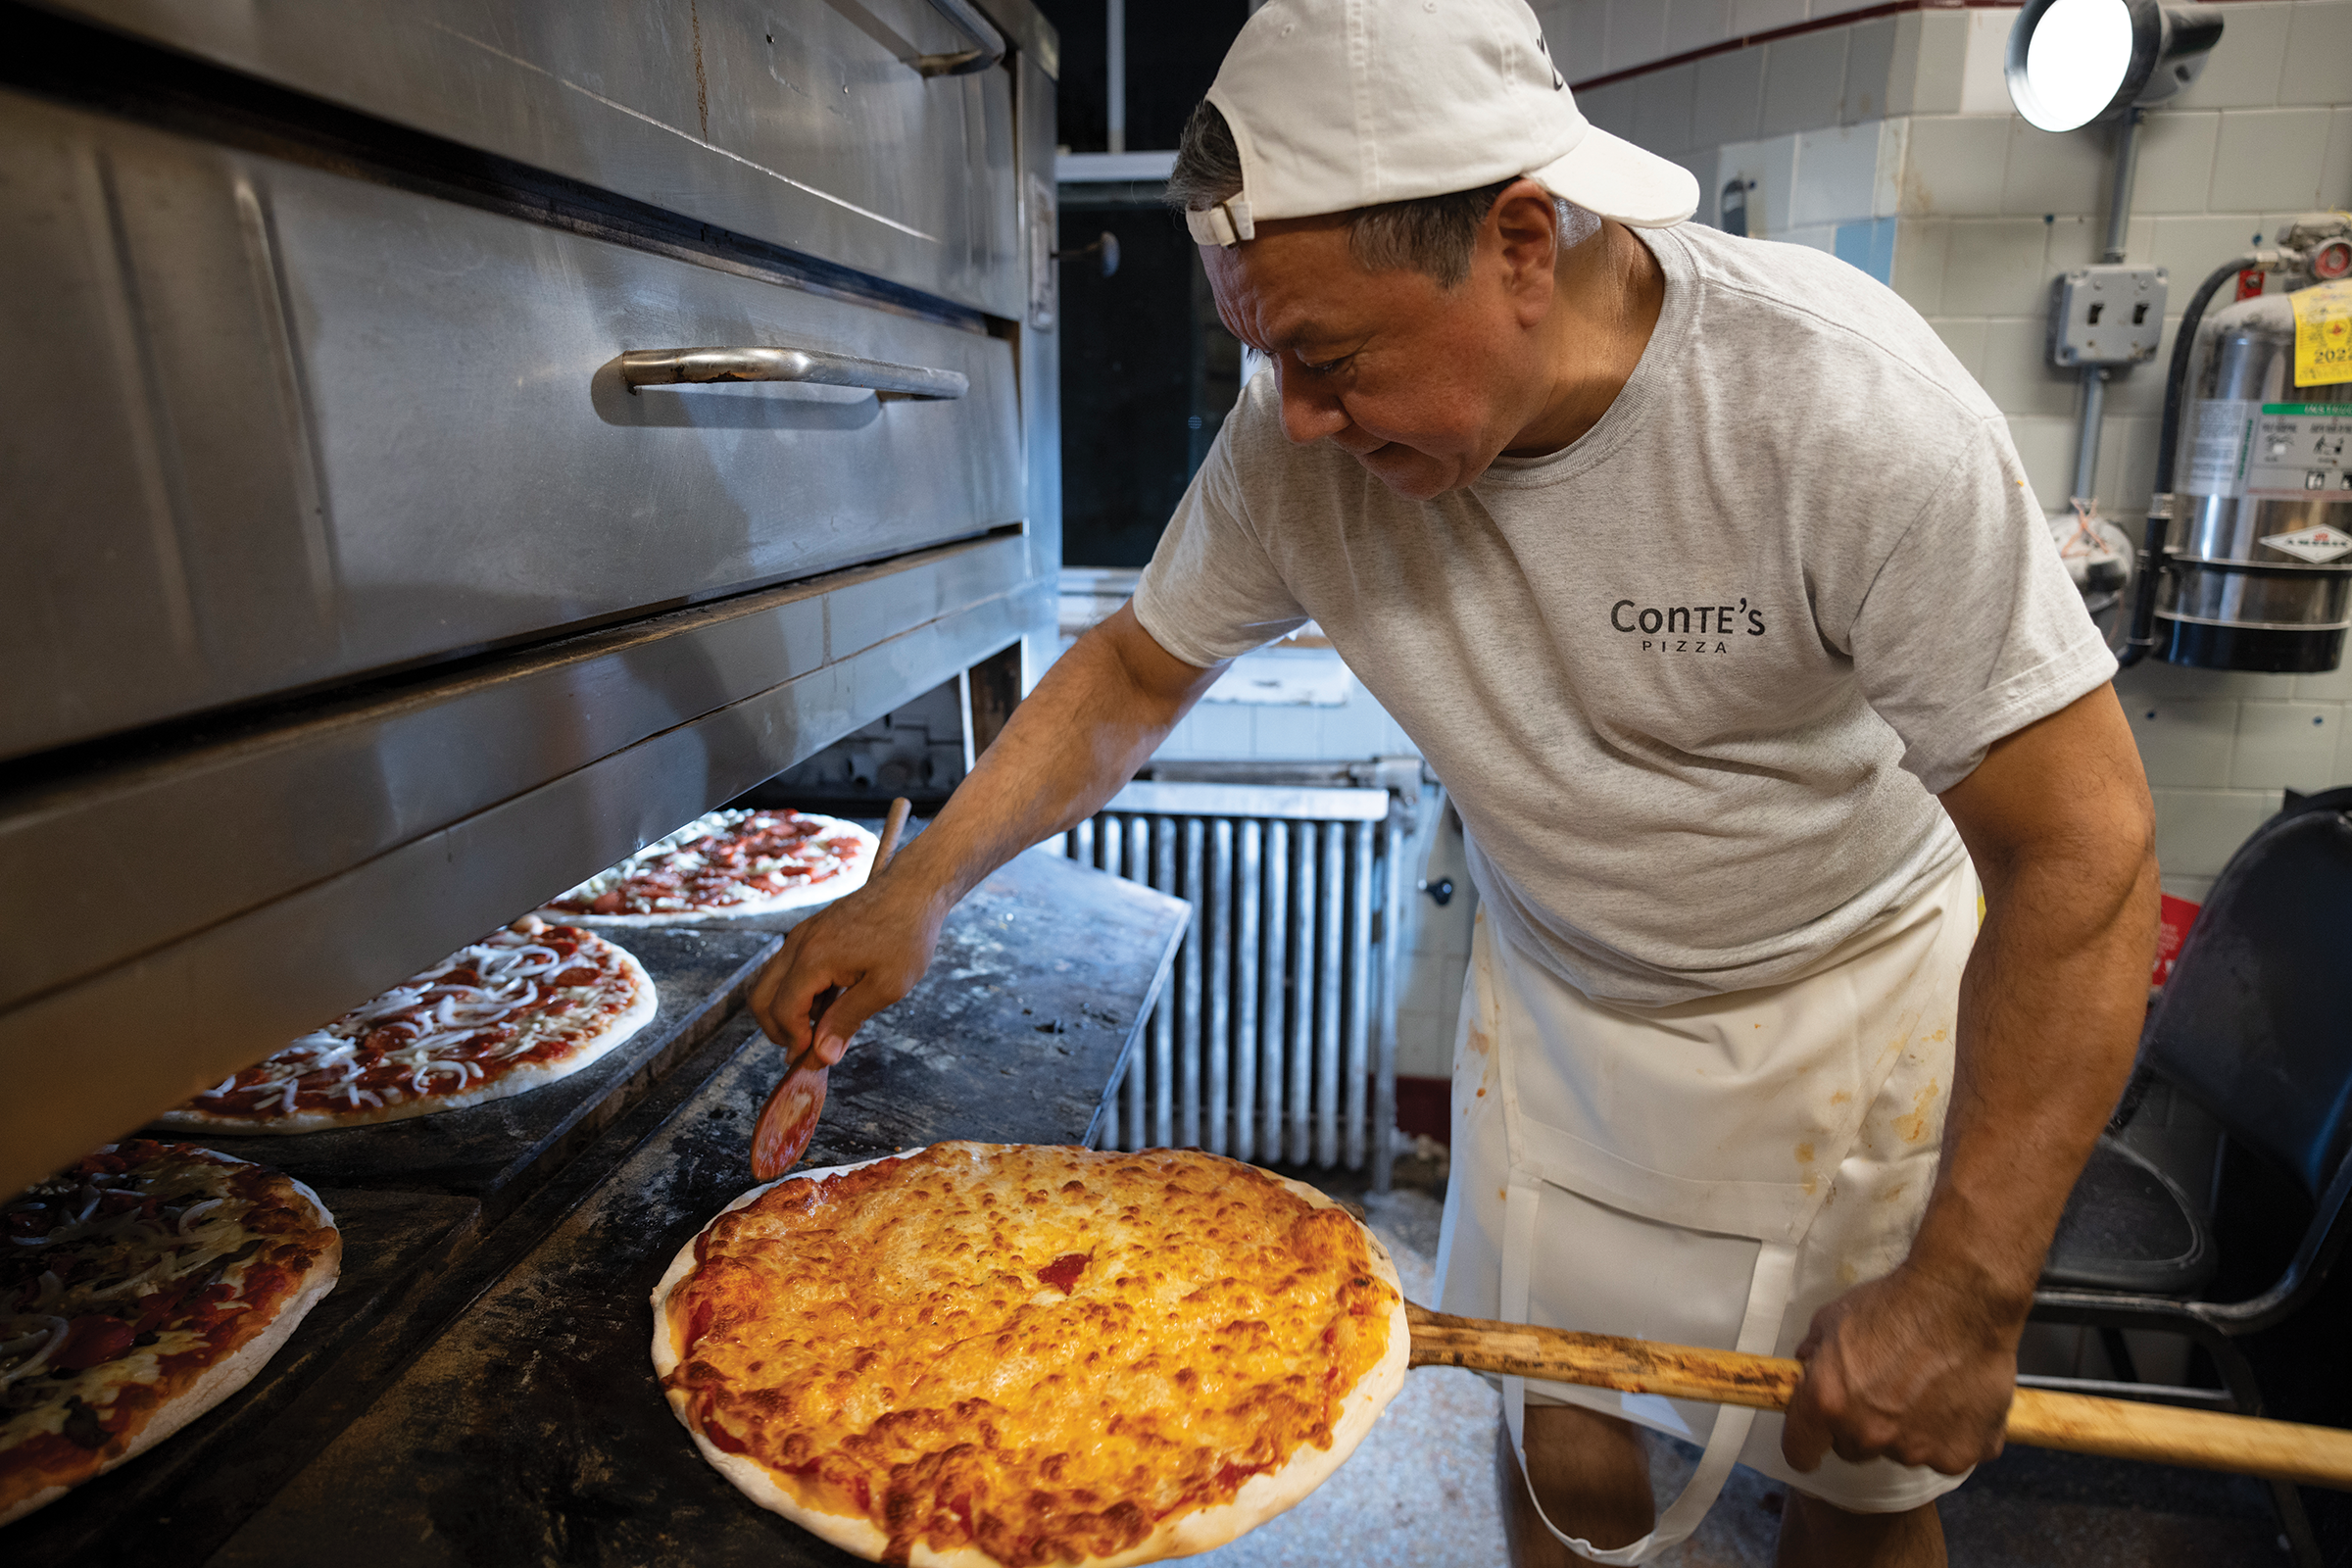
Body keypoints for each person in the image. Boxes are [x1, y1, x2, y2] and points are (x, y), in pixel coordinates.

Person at [747, 1, 2160, 1562]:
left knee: (1853, 1485)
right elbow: (1139, 669)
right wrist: (920, 887)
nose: (1294, 417)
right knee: (1562, 1449)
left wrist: (1967, 1292)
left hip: (1842, 1009)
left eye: (1331, 356)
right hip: (1561, 1005)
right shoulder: (1299, 444)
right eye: (1265, 352)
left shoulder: (1837, 411)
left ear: (1522, 242)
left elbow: (2082, 852)